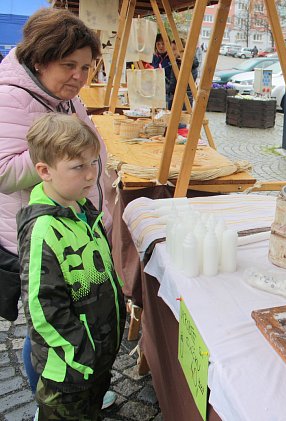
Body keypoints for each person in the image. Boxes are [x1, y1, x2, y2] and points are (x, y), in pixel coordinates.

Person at [0, 7, 116, 411]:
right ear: (39, 58)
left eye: (86, 67)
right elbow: (1, 172)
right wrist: (59, 158)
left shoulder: (61, 95)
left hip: (73, 225)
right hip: (41, 233)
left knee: (78, 311)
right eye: (70, 65)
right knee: (48, 325)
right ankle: (50, 400)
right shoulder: (10, 98)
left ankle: (79, 392)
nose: (80, 77)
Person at [19, 113, 125, 420]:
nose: (91, 175)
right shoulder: (43, 230)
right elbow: (42, 308)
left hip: (95, 361)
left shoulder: (81, 207)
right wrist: (82, 355)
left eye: (94, 162)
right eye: (78, 166)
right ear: (44, 171)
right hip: (67, 373)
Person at [166, 38, 199, 110]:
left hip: (182, 99)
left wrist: (167, 89)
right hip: (179, 98)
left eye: (174, 49)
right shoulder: (180, 62)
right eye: (171, 50)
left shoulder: (184, 64)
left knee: (179, 120)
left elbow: (175, 84)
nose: (172, 52)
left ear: (183, 50)